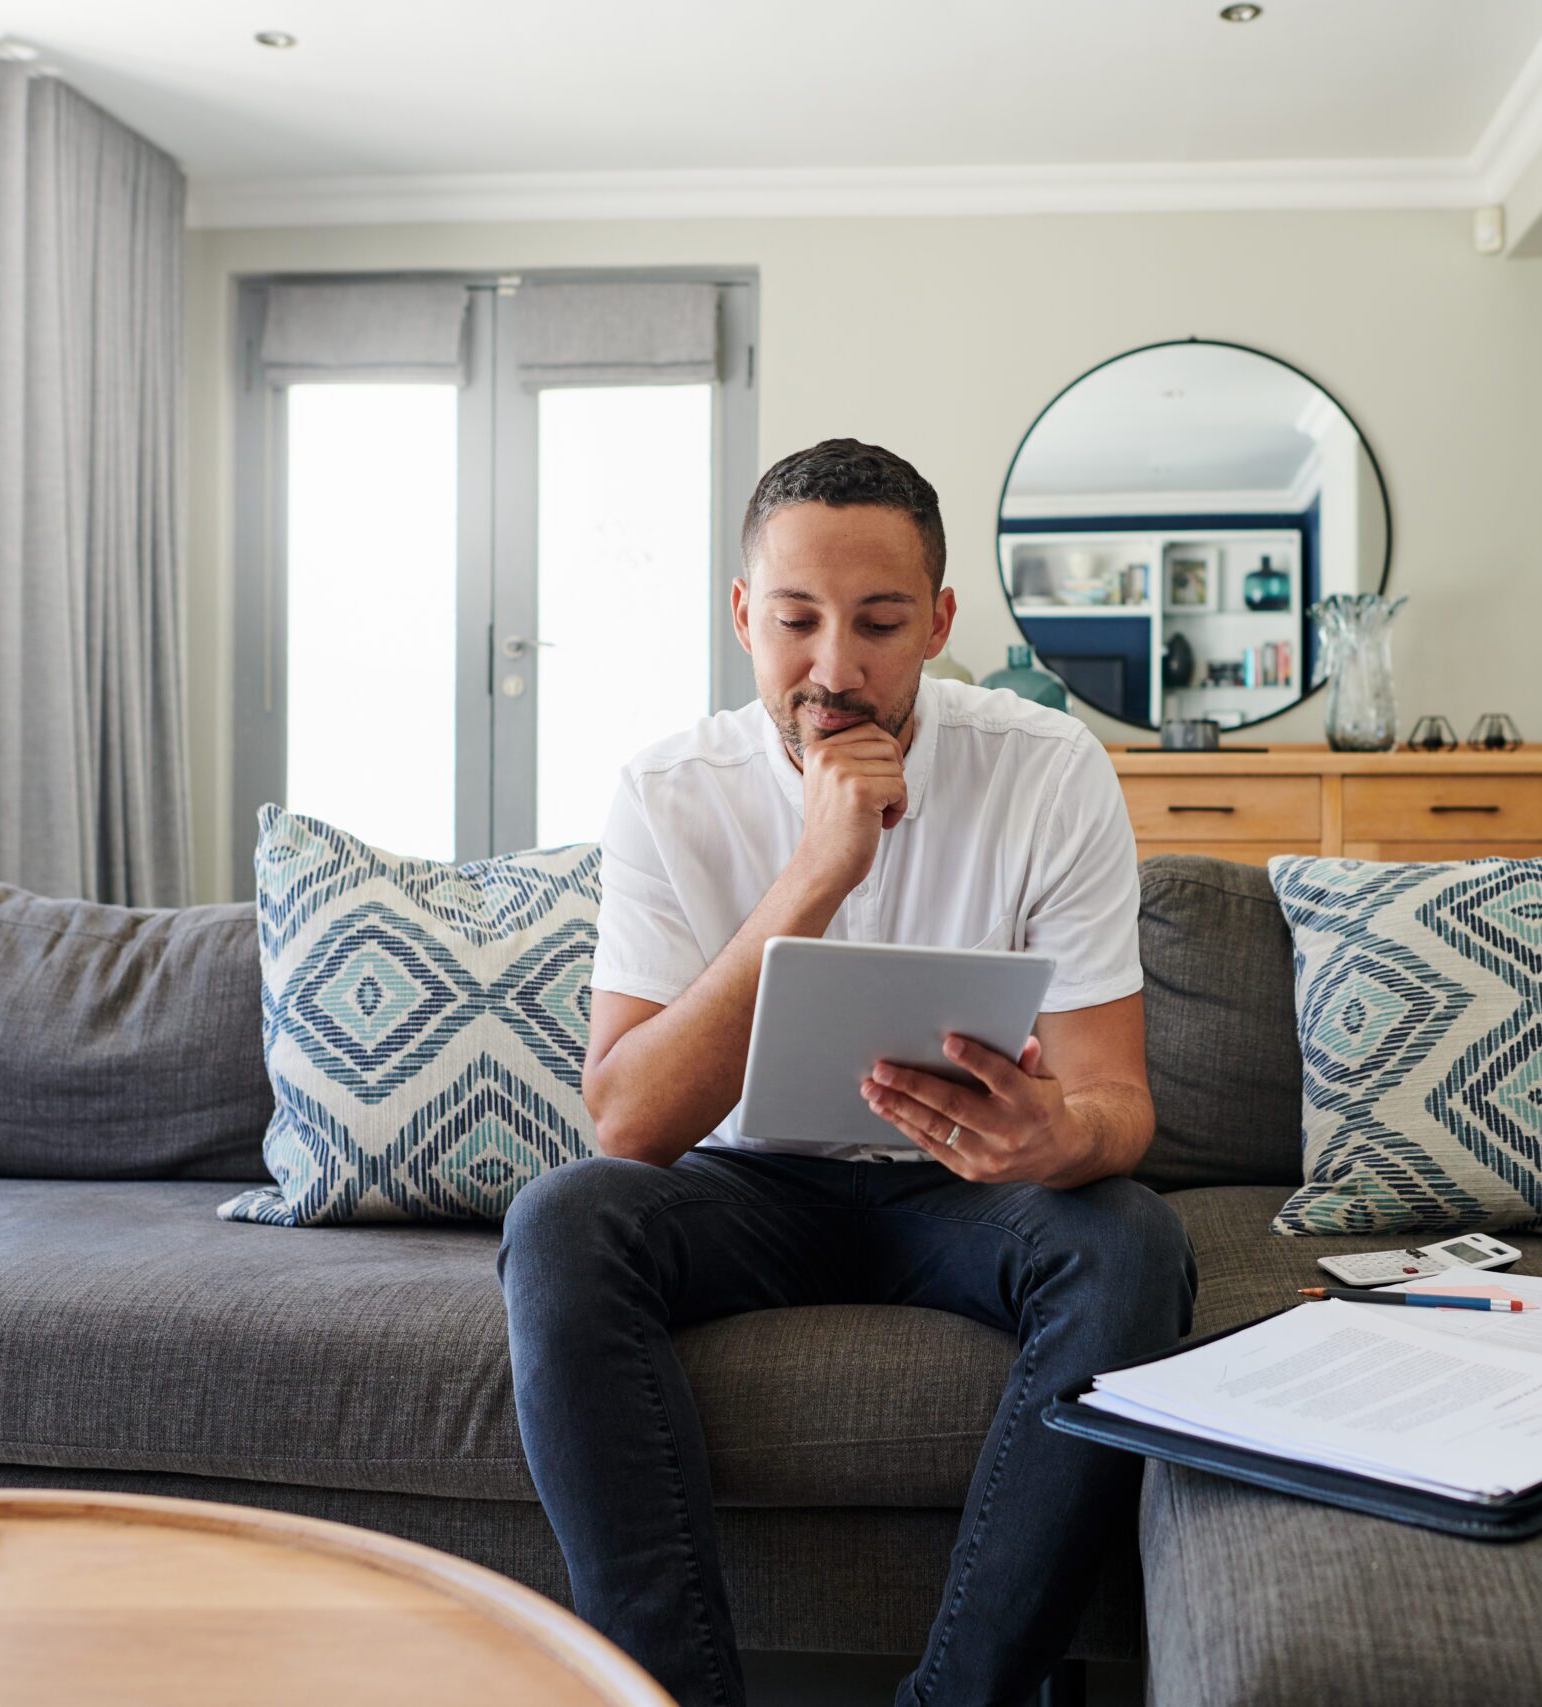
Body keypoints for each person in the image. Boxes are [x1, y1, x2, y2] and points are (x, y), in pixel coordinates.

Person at [497, 439, 1196, 1707]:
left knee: (1131, 1243)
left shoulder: (1049, 771)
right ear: (740, 617)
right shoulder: (666, 790)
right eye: (795, 621)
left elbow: (1119, 1105)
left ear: (938, 622)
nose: (834, 668)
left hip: (963, 1192)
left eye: (878, 623)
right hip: (744, 1190)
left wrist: (1061, 1137)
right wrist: (819, 869)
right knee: (563, 1221)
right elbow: (628, 1122)